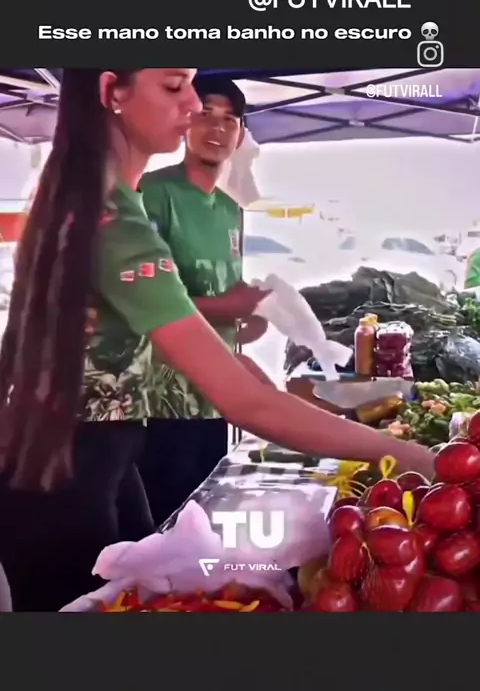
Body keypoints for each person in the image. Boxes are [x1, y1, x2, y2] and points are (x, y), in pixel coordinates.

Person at [0, 68, 434, 612]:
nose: (191, 104)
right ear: (112, 91)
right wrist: (409, 455)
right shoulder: (115, 219)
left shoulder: (87, 196)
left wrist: (225, 355)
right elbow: (246, 404)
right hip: (65, 471)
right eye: (173, 85)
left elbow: (67, 340)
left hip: (86, 452)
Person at [139, 75, 269, 525]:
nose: (217, 128)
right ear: (185, 122)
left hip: (216, 396)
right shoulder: (152, 193)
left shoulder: (231, 208)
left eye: (229, 120)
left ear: (241, 133)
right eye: (205, 115)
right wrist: (228, 308)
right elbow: (143, 300)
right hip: (160, 398)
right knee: (164, 522)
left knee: (206, 518)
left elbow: (224, 292)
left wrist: (251, 317)